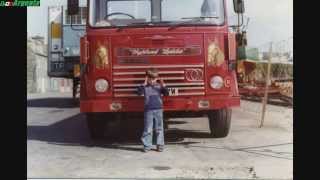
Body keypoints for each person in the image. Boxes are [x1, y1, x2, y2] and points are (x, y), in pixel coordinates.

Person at [137, 68, 169, 152]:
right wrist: (143, 84)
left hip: (159, 109)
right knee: (148, 128)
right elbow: (139, 92)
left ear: (157, 78)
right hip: (148, 110)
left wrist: (163, 85)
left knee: (159, 128)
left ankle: (160, 145)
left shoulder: (159, 86)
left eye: (154, 78)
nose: (152, 80)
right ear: (147, 78)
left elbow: (166, 93)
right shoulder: (145, 87)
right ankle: (147, 145)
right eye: (150, 78)